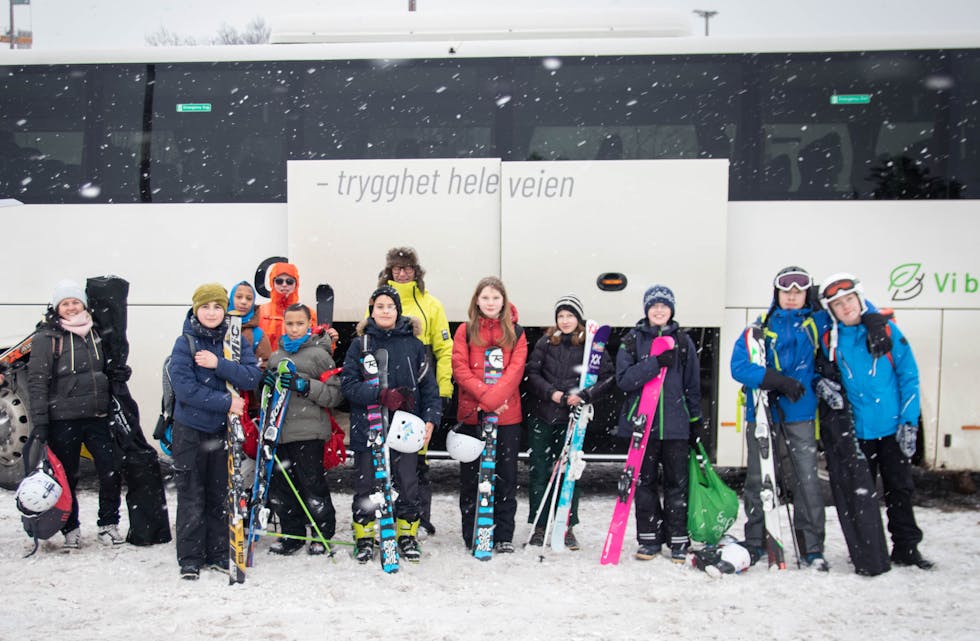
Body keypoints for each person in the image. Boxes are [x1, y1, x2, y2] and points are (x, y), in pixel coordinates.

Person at [816, 273, 932, 570]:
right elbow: (820, 372)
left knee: (899, 490)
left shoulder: (887, 331)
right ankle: (869, 551)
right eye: (838, 304)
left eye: (850, 300)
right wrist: (821, 384)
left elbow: (909, 376)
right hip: (858, 432)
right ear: (831, 309)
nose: (846, 307)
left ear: (860, 299)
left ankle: (907, 548)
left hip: (892, 428)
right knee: (862, 495)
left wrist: (909, 422)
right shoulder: (830, 340)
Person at [729, 266, 829, 570]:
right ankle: (757, 540)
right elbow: (738, 366)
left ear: (806, 295)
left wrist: (876, 318)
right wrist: (773, 379)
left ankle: (811, 547)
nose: (792, 297)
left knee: (806, 480)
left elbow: (856, 312)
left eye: (798, 292)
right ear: (778, 294)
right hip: (762, 413)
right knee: (758, 480)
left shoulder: (818, 323)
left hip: (799, 414)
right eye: (787, 292)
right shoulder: (760, 327)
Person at [341, 286, 441, 564]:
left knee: (408, 483)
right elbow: (347, 386)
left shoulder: (414, 345)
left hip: (405, 429)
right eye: (380, 306)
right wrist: (379, 395)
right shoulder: (360, 345)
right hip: (368, 428)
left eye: (390, 306)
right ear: (371, 310)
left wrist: (431, 418)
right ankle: (364, 536)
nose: (385, 311)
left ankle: (406, 534)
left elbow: (429, 387)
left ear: (398, 310)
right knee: (366, 485)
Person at [167, 283, 261, 579]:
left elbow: (250, 376)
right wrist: (224, 401)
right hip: (191, 431)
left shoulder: (235, 342)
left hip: (223, 432)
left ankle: (220, 551)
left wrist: (218, 364)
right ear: (196, 309)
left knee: (222, 493)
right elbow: (184, 389)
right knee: (192, 492)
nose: (211, 312)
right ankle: (191, 557)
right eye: (206, 307)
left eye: (217, 307)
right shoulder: (185, 342)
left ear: (225, 310)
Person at [26, 279, 122, 549]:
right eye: (65, 303)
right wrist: (41, 422)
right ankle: (70, 527)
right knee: (67, 476)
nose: (71, 307)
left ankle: (108, 524)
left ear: (84, 304)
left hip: (97, 416)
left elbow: (106, 368)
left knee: (110, 469)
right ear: (56, 307)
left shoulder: (96, 332)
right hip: (63, 419)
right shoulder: (47, 336)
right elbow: (37, 381)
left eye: (75, 302)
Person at [614, 284, 703, 563]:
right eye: (654, 306)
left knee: (678, 484)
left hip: (676, 425)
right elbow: (624, 380)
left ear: (671, 310)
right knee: (645, 483)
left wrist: (696, 420)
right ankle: (649, 539)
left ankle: (678, 539)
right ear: (646, 310)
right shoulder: (632, 340)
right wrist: (655, 363)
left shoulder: (684, 342)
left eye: (665, 306)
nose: (659, 310)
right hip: (643, 425)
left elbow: (693, 384)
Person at [524, 294, 614, 550]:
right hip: (543, 414)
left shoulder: (590, 346)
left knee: (569, 474)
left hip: (572, 420)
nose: (565, 321)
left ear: (579, 319)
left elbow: (608, 378)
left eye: (570, 316)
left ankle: (566, 525)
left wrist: (585, 395)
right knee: (540, 471)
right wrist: (551, 393)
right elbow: (532, 374)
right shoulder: (545, 342)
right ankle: (539, 525)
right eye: (561, 316)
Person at [377, 247, 453, 535]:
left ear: (416, 271)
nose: (402, 272)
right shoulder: (380, 301)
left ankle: (420, 516)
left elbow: (444, 349)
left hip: (419, 385)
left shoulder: (431, 304)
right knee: (387, 458)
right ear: (389, 271)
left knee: (417, 457)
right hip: (386, 389)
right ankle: (391, 513)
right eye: (396, 268)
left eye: (408, 268)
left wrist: (443, 386)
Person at [451, 276, 527, 553]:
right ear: (477, 301)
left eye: (495, 298)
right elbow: (460, 369)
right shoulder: (466, 331)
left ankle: (503, 534)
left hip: (507, 417)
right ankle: (473, 532)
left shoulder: (516, 333)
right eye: (485, 298)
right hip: (474, 415)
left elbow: (515, 372)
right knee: (472, 478)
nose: (491, 303)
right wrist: (487, 399)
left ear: (503, 301)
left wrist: (493, 401)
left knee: (505, 477)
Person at [264, 303, 343, 556]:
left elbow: (335, 395)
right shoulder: (276, 357)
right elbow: (268, 397)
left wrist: (304, 385)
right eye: (290, 324)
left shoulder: (319, 355)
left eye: (300, 324)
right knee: (283, 487)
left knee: (312, 485)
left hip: (309, 432)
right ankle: (292, 533)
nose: (294, 329)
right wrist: (264, 385)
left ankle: (322, 534)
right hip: (280, 431)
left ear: (309, 325)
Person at [257, 262, 316, 352]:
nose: (284, 285)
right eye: (279, 281)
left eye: (289, 281)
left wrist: (330, 340)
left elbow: (317, 345)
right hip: (268, 364)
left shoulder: (309, 313)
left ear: (296, 284)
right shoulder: (261, 311)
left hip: (299, 364)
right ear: (272, 283)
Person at [229, 280, 272, 369]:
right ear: (231, 299)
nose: (244, 302)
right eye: (239, 297)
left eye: (249, 298)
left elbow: (265, 364)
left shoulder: (258, 334)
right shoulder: (218, 326)